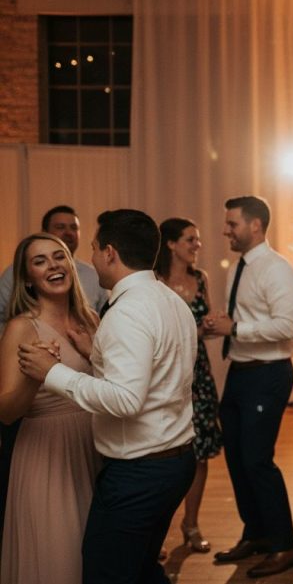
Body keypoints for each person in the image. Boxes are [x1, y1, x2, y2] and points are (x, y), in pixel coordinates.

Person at [18, 209, 197, 584]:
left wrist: (52, 373)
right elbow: (155, 371)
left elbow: (126, 400)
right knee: (141, 568)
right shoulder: (169, 300)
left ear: (111, 253)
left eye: (96, 248)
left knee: (107, 572)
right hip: (175, 460)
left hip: (140, 472)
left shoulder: (127, 312)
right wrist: (97, 351)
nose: (92, 256)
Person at [207, 196, 293, 578]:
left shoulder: (277, 269)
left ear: (256, 226)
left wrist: (237, 328)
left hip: (268, 373)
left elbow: (287, 325)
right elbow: (247, 316)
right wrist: (226, 323)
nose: (226, 230)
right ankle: (257, 532)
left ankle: (285, 545)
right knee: (236, 459)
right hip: (241, 371)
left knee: (257, 461)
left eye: (232, 224)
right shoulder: (240, 266)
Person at [0, 205, 107, 546]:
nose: (53, 265)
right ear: (27, 277)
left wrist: (94, 355)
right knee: (61, 547)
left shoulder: (90, 319)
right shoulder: (21, 327)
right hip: (47, 454)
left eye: (58, 257)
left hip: (95, 445)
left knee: (96, 550)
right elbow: (5, 413)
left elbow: (113, 386)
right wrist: (37, 377)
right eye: (40, 261)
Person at [154, 218, 223, 553]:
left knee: (199, 453)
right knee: (162, 453)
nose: (197, 245)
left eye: (197, 239)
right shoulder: (155, 280)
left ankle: (191, 524)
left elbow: (201, 323)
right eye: (190, 239)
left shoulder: (201, 278)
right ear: (170, 244)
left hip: (198, 375)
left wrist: (209, 324)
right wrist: (192, 332)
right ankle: (157, 532)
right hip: (164, 375)